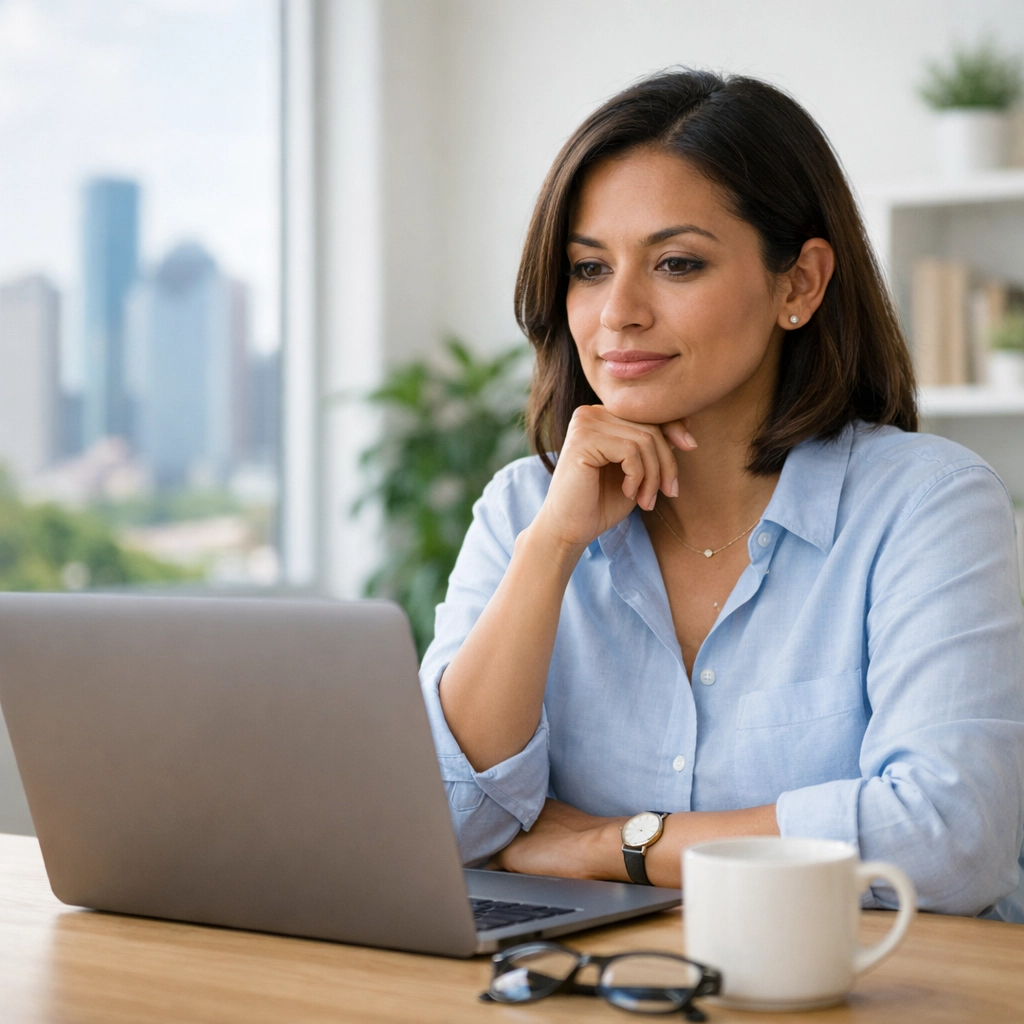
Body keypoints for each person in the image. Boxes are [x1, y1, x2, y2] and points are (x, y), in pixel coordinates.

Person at [419, 69, 1024, 920]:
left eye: (676, 263)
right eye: (589, 268)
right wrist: (552, 548)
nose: (616, 313)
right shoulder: (525, 509)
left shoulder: (928, 505)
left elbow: (950, 839)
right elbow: (443, 823)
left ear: (799, 285)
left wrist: (613, 845)